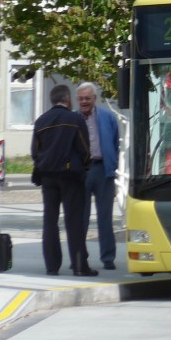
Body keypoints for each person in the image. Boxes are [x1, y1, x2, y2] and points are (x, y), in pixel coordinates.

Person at [32, 84, 97, 277]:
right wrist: (83, 166)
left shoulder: (41, 121)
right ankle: (79, 266)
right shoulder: (75, 119)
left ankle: (52, 266)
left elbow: (35, 152)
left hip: (47, 176)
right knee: (74, 221)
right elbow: (85, 149)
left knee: (50, 221)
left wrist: (44, 165)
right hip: (70, 176)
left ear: (52, 101)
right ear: (68, 100)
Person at [77, 81, 121, 270]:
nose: (84, 102)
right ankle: (79, 257)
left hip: (103, 169)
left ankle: (108, 258)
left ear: (95, 99)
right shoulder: (73, 119)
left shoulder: (107, 117)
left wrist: (112, 163)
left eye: (87, 98)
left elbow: (114, 142)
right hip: (81, 171)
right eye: (81, 99)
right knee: (80, 218)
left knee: (105, 217)